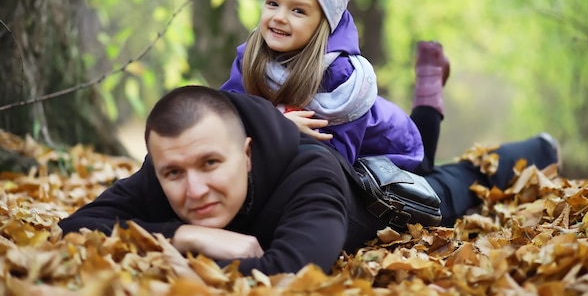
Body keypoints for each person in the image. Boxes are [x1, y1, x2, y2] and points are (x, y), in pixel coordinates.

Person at [58, 85, 560, 276]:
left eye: (212, 164)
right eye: (173, 173)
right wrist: (183, 234)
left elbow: (293, 269)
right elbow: (74, 228)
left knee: (457, 180)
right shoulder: (172, 162)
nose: (193, 191)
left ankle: (536, 148)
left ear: (246, 152)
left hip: (383, 197)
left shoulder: (309, 176)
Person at [220, 0, 425, 172]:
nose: (279, 17)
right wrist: (276, 123)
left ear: (325, 23)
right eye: (272, 4)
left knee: (436, 170)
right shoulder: (250, 57)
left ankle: (429, 87)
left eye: (298, 11)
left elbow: (335, 160)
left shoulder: (341, 77)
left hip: (394, 145)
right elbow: (227, 114)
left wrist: (279, 129)